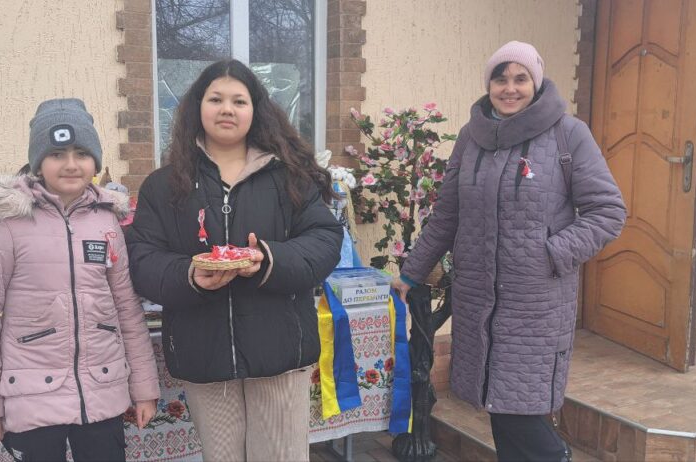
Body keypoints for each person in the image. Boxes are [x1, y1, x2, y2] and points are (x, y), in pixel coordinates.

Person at [393, 41, 627, 462]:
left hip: (535, 304)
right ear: (489, 84)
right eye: (501, 78)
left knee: (521, 410)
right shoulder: (472, 137)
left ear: (535, 84)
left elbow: (608, 211)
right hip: (478, 300)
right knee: (500, 410)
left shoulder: (567, 134)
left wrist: (550, 253)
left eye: (521, 78)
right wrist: (412, 273)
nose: (509, 88)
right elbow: (447, 214)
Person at [126, 59, 342, 461]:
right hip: (203, 353)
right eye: (216, 99)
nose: (227, 109)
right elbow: (142, 258)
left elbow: (325, 238)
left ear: (255, 110)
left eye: (239, 101)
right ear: (198, 108)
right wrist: (190, 274)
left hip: (279, 351)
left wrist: (269, 259)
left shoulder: (288, 176)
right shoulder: (164, 184)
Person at [0, 98, 160, 461]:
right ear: (38, 162)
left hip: (102, 394)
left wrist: (144, 388)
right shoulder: (6, 221)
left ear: (95, 161)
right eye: (57, 154)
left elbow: (127, 309)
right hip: (33, 401)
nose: (70, 165)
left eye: (81, 153)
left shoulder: (106, 219)